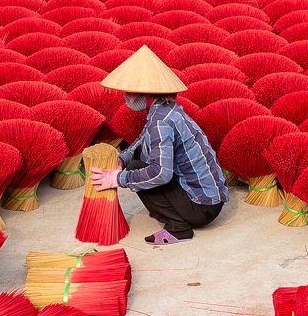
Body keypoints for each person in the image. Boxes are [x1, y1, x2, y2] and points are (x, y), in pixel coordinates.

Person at [90, 45, 228, 245]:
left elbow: (161, 173)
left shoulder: (161, 121)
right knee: (135, 161)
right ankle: (172, 209)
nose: (128, 96)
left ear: (148, 93)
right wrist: (122, 159)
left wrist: (118, 179)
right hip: (207, 198)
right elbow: (142, 139)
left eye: (132, 91)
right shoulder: (164, 110)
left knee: (138, 169)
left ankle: (178, 228)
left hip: (202, 206)